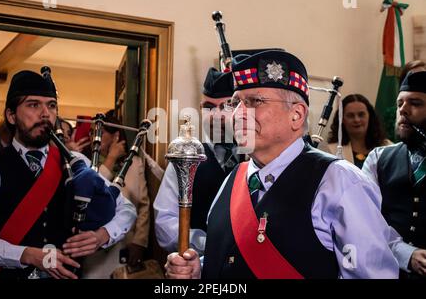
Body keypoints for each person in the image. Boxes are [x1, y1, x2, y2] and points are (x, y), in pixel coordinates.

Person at [165, 50, 398, 279]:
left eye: (255, 101)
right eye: (235, 102)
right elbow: (231, 257)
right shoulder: (234, 177)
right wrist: (200, 269)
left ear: (296, 115)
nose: (237, 113)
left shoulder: (341, 182)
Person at [0, 70, 136, 279]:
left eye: (51, 105)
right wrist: (27, 255)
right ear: (11, 115)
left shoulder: (76, 162)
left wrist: (102, 235)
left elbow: (127, 209)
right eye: (34, 105)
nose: (45, 114)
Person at [154, 67, 242, 255]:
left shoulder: (257, 155)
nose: (215, 117)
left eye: (227, 106)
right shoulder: (185, 158)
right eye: (208, 107)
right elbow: (165, 224)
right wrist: (209, 244)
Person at [363, 70, 426, 278]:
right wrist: (406, 254)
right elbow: (364, 219)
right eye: (400, 103)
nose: (403, 110)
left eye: (415, 103)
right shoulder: (378, 158)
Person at [82, 111, 150, 278]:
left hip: (125, 244)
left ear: (115, 135)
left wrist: (139, 242)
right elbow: (92, 194)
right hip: (94, 247)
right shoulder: (87, 163)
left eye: (99, 132)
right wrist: (111, 158)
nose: (93, 136)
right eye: (91, 132)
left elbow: (143, 206)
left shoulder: (134, 163)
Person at [327, 94, 391, 168]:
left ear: (370, 116)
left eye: (361, 115)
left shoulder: (388, 148)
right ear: (342, 120)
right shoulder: (331, 151)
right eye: (350, 115)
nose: (356, 120)